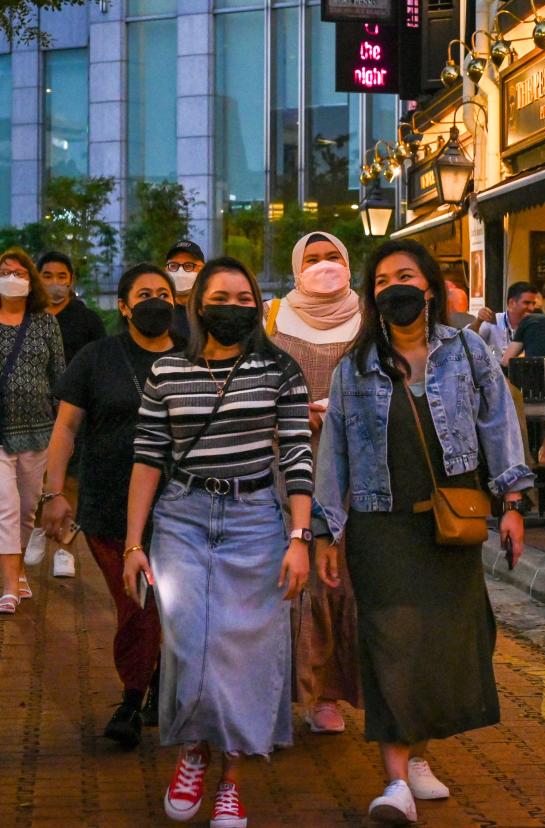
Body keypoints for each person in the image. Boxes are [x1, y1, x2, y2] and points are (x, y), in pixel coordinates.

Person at [314, 238, 533, 824]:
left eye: (404, 277)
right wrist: (325, 531)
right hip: (379, 526)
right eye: (383, 281)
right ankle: (395, 784)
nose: (395, 289)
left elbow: (499, 423)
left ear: (430, 287)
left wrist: (512, 502)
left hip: (449, 523)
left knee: (440, 644)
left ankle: (415, 758)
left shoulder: (466, 350)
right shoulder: (353, 367)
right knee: (391, 643)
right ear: (372, 296)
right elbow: (333, 453)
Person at [123, 256, 312, 827]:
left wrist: (300, 535)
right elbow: (148, 459)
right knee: (189, 641)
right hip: (182, 517)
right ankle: (192, 751)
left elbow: (299, 454)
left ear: (258, 305)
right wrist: (134, 543)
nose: (233, 308)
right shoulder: (167, 374)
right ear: (196, 305)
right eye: (220, 298)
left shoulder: (281, 370)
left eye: (243, 298)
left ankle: (231, 779)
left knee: (245, 652)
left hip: (257, 517)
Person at [42, 264, 179, 746]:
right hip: (107, 506)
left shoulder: (193, 359)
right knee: (135, 603)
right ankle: (134, 695)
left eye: (164, 293)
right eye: (144, 294)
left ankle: (158, 680)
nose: (156, 301)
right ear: (124, 306)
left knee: (171, 604)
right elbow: (65, 429)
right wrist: (55, 492)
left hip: (179, 508)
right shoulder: (97, 358)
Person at [266, 231, 363, 735]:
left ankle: (327, 691)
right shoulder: (272, 317)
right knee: (290, 576)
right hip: (287, 465)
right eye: (312, 258)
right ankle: (283, 692)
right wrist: (289, 415)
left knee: (342, 577)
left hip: (354, 467)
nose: (323, 266)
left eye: (332, 257)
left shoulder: (369, 318)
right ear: (295, 266)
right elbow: (254, 383)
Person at [0, 247, 65, 614]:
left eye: (20, 273)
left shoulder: (44, 323)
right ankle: (9, 586)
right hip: (1, 429)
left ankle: (18, 568)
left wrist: (63, 435)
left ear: (30, 281)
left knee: (26, 509)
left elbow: (60, 378)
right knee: (5, 507)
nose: (12, 278)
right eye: (5, 272)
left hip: (39, 431)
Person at [37, 251, 106, 365]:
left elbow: (103, 363)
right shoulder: (27, 319)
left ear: (71, 279)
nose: (55, 282)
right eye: (47, 276)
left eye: (61, 276)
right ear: (38, 279)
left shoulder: (89, 320)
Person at [477, 281, 539, 363]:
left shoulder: (534, 326)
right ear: (511, 303)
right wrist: (478, 321)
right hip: (496, 373)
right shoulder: (494, 320)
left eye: (533, 303)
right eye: (526, 303)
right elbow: (467, 339)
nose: (531, 308)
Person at [165, 239, 206, 341]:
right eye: (173, 266)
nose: (180, 272)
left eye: (188, 266)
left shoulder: (209, 311)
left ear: (203, 270)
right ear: (165, 270)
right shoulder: (160, 312)